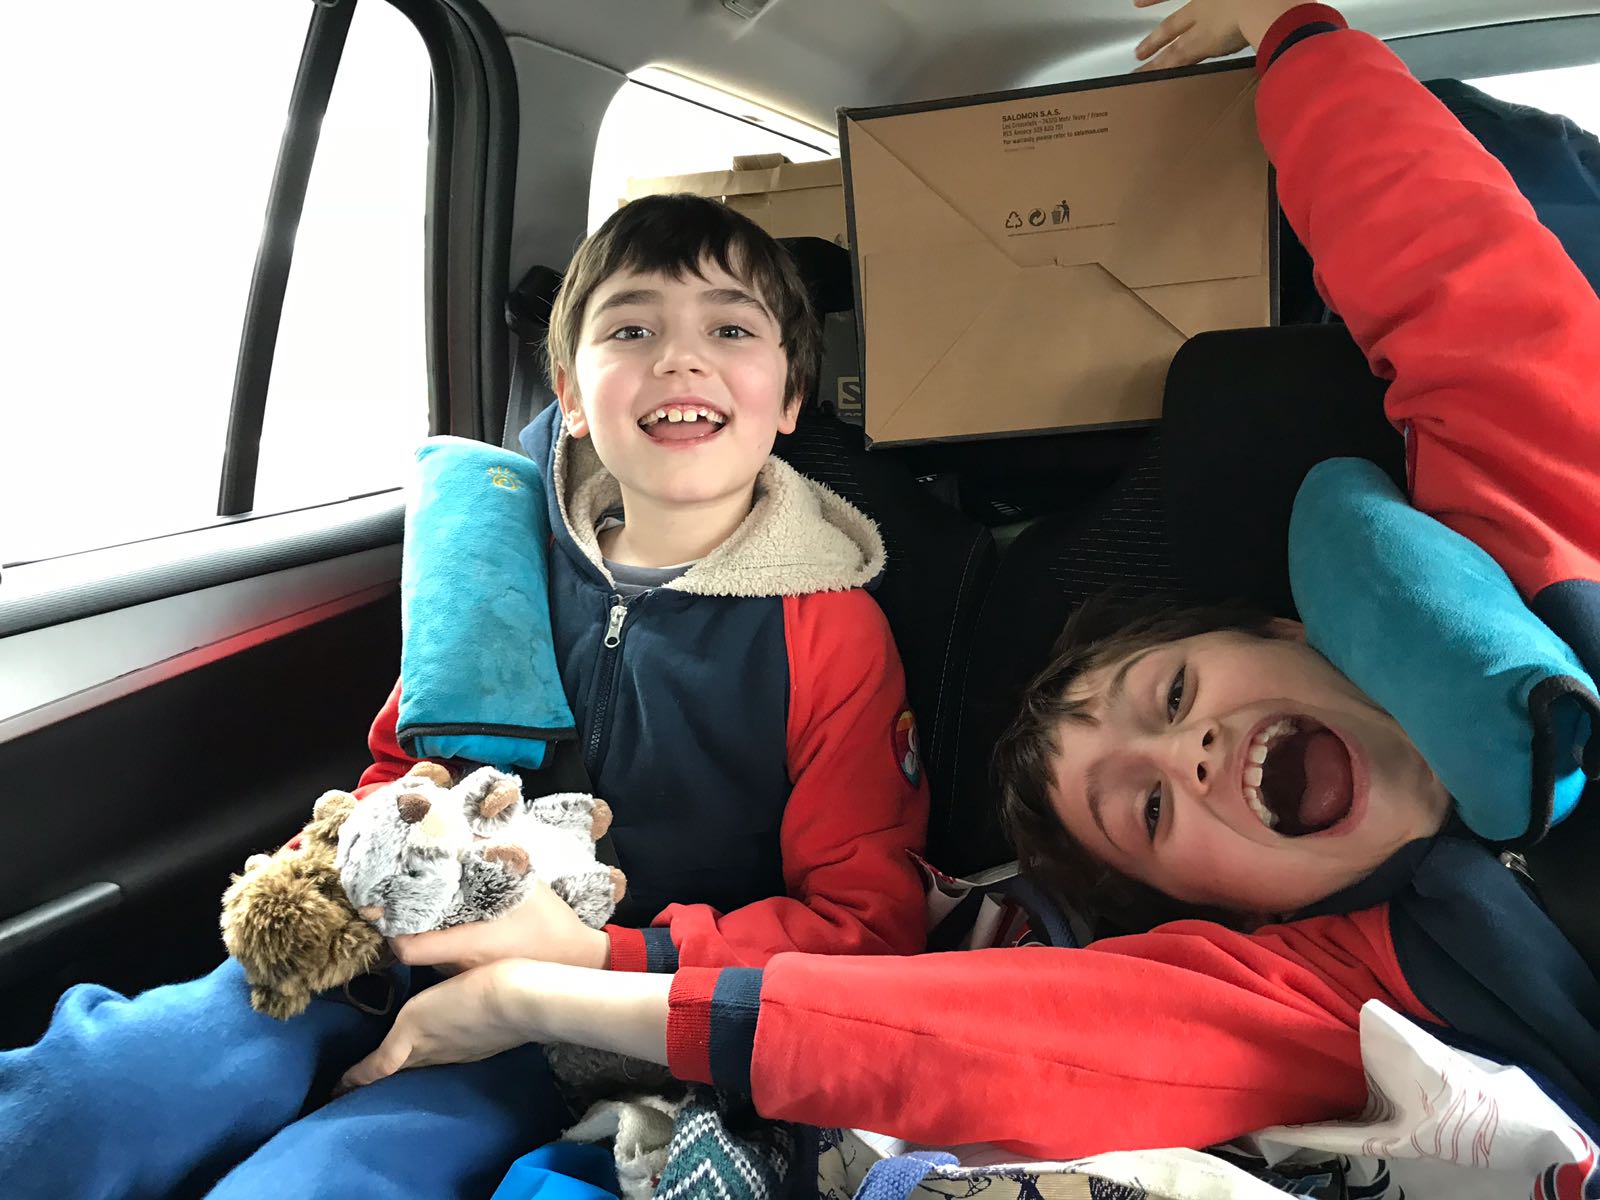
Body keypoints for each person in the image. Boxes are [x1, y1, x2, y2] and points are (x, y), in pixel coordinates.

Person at [337, 0, 1600, 1163]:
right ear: (1208, 915)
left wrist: (1295, 37)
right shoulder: (1335, 988)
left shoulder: (1531, 551)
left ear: (1282, 627)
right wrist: (533, 990)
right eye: (1146, 814)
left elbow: (1470, 297)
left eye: (1169, 696)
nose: (1190, 759)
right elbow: (984, 1031)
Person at [0, 194, 929, 1199]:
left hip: (578, 1015)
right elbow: (408, 766)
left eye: (730, 328)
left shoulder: (828, 631)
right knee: (114, 1082)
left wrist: (601, 952)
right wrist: (358, 852)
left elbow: (863, 926)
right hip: (393, 939)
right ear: (571, 394)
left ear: (790, 394)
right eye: (632, 328)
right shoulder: (500, 557)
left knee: (330, 1181)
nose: (679, 357)